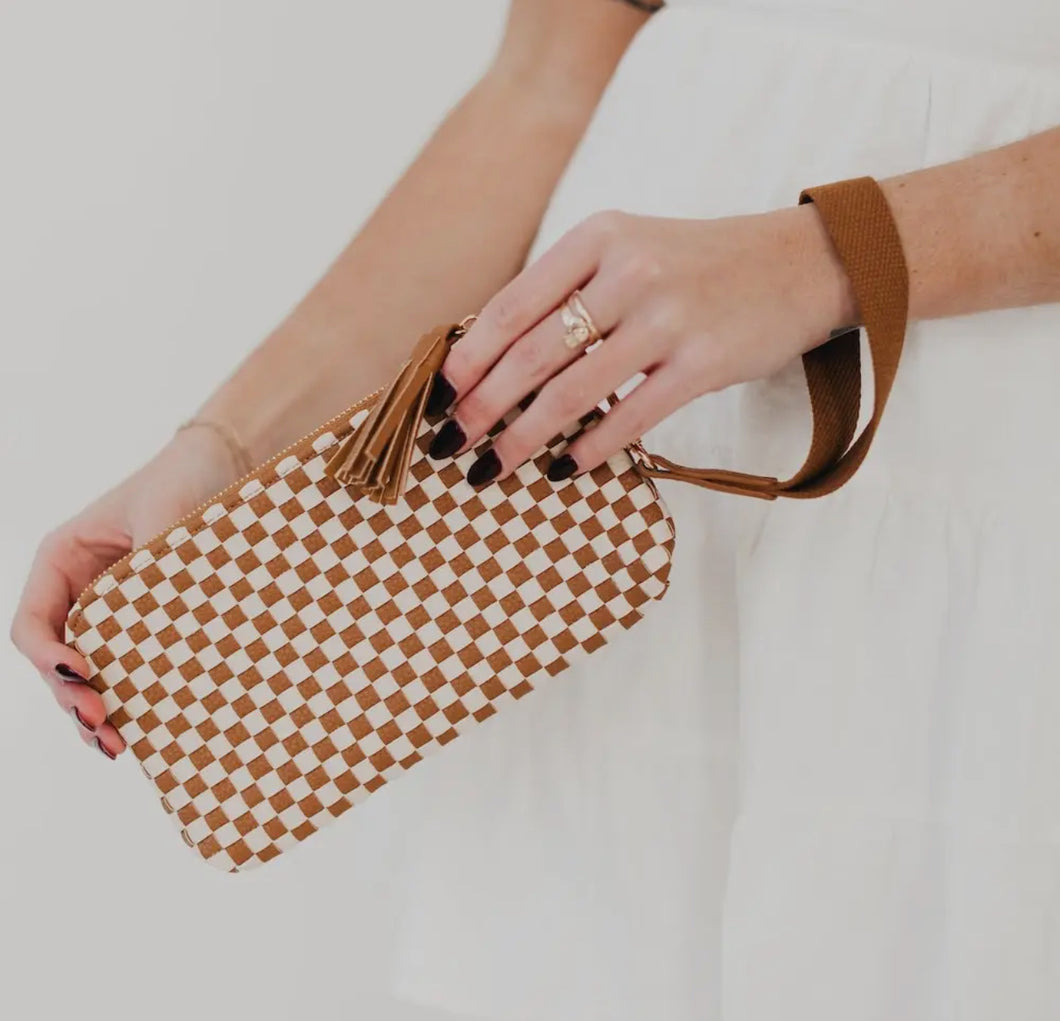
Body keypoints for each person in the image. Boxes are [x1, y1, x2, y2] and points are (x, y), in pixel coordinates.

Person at [11, 0, 1060, 1017]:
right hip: (596, 525)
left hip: (984, 447)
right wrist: (224, 450)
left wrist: (830, 256)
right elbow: (542, 86)